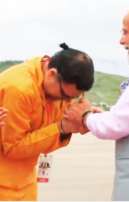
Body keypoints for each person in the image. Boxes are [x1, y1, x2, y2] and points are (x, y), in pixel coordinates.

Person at [64, 2, 129, 201]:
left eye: (125, 32)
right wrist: (100, 117)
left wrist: (84, 116)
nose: (121, 40)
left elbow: (117, 125)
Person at [0, 43, 94, 200]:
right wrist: (62, 128)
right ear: (51, 74)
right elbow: (13, 148)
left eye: (73, 98)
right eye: (64, 95)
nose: (66, 102)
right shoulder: (19, 89)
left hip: (25, 180)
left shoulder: (56, 85)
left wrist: (85, 117)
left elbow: (66, 115)